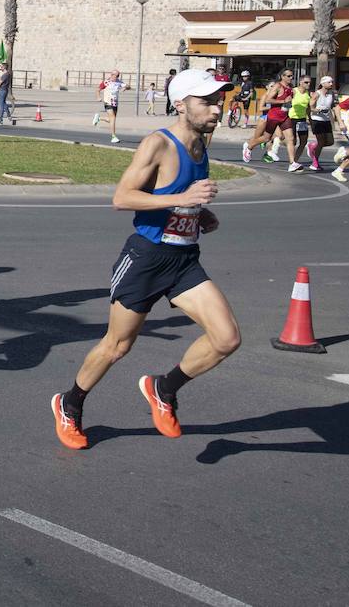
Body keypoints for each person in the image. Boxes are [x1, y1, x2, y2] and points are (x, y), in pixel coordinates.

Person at [52, 69, 238, 450]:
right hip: (147, 258)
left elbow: (178, 193)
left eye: (218, 100)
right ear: (181, 104)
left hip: (184, 259)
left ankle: (163, 389)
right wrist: (182, 201)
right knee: (118, 345)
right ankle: (70, 404)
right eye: (207, 102)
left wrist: (198, 215)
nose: (217, 109)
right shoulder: (159, 144)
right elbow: (122, 198)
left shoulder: (202, 144)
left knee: (226, 338)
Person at [242, 69, 295, 163]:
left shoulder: (290, 88)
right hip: (267, 118)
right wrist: (283, 102)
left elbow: (287, 101)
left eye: (292, 76)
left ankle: (292, 162)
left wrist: (289, 103)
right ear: (282, 76)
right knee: (265, 138)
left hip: (283, 116)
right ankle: (249, 146)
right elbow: (264, 105)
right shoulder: (274, 89)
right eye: (289, 76)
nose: (291, 78)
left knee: (287, 138)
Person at [305, 76, 338, 171]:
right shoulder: (317, 94)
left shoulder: (331, 94)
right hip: (317, 120)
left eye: (332, 82)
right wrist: (317, 110)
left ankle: (312, 146)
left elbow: (332, 106)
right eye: (329, 82)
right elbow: (311, 107)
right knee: (321, 142)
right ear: (323, 84)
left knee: (330, 142)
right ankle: (315, 163)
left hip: (326, 120)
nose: (331, 84)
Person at [284, 74, 314, 172]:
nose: (308, 84)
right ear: (300, 82)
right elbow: (286, 103)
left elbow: (308, 108)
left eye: (309, 82)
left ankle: (294, 162)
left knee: (303, 141)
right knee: (292, 141)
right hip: (291, 118)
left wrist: (310, 120)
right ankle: (276, 142)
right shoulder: (294, 91)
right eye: (306, 82)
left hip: (302, 120)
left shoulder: (308, 94)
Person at [93, 70, 125, 144]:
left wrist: (126, 87)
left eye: (118, 76)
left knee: (111, 120)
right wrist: (98, 97)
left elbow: (128, 86)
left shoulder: (119, 82)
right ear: (112, 75)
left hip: (115, 103)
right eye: (116, 75)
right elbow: (98, 90)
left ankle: (99, 118)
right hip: (108, 102)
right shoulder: (106, 82)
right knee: (113, 118)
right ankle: (113, 137)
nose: (117, 77)